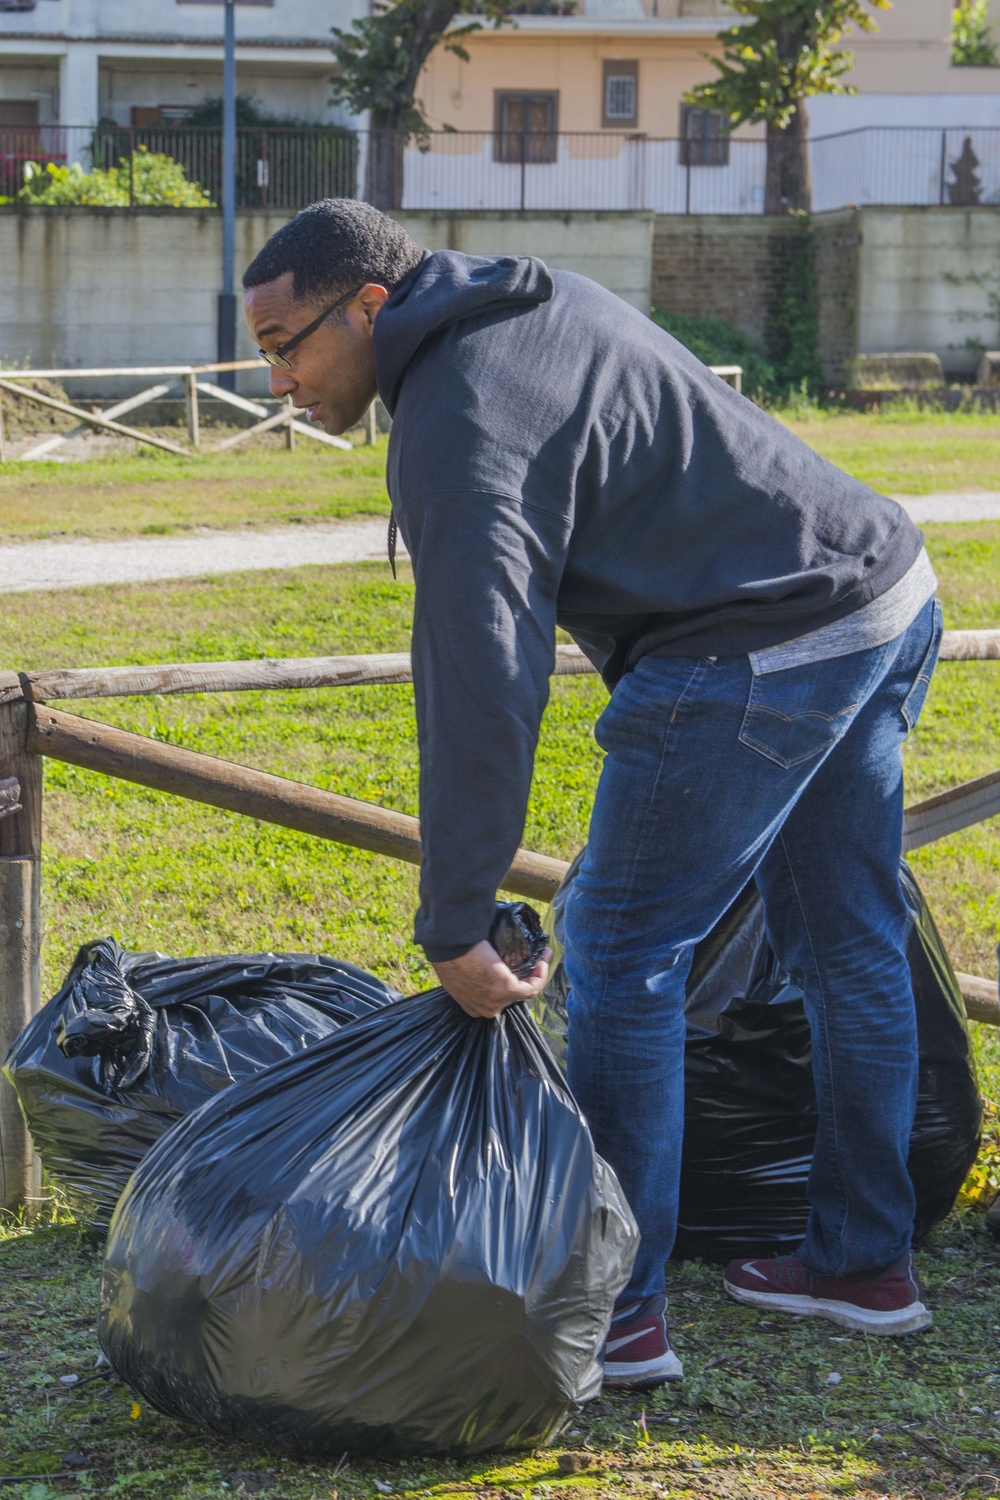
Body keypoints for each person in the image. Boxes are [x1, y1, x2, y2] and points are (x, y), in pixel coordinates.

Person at [242, 199, 942, 1390]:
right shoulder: (523, 297)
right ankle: (862, 1267)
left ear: (368, 305)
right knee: (847, 938)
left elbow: (480, 675)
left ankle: (614, 1310)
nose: (277, 381)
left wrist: (455, 916)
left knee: (620, 950)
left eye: (284, 344)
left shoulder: (457, 418)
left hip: (753, 642)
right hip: (878, 588)